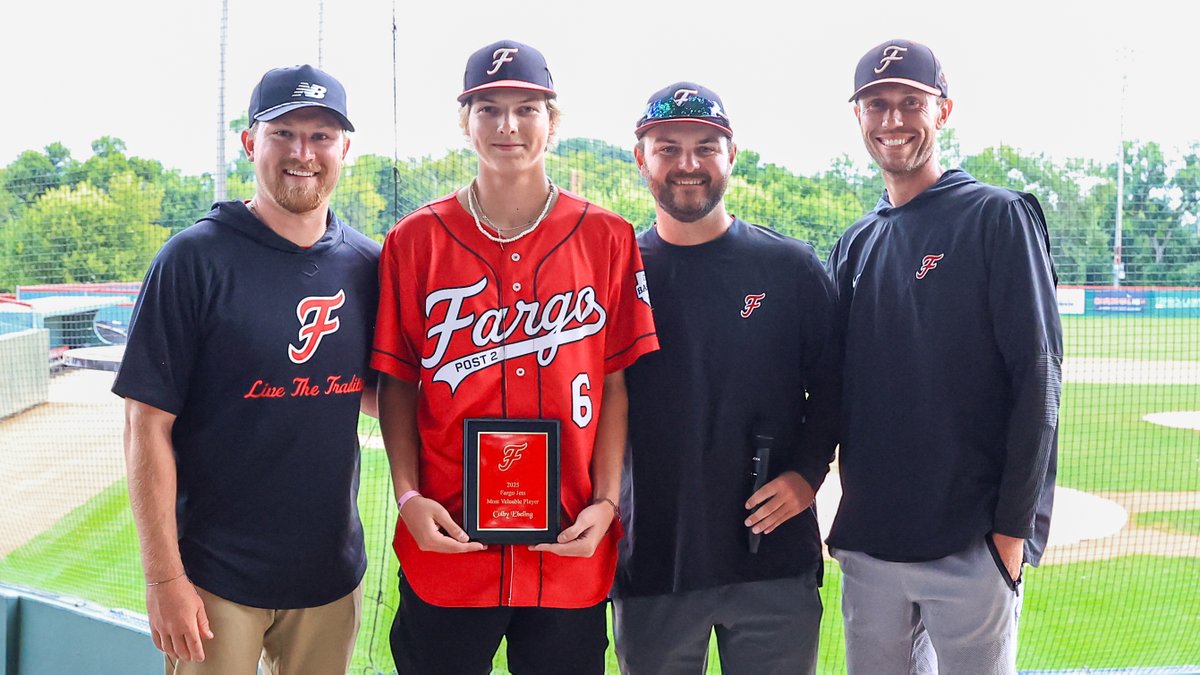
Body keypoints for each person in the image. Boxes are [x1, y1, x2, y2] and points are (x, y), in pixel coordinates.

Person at [371, 39, 659, 675]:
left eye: (527, 108)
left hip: (567, 545)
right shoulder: (415, 239)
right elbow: (396, 382)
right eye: (489, 108)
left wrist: (607, 501)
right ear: (464, 120)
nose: (507, 125)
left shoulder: (606, 238)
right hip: (447, 541)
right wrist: (407, 496)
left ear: (552, 121)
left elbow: (614, 383)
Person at [114, 64, 379, 674]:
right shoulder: (193, 259)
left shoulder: (368, 265)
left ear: (346, 149)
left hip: (330, 574)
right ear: (250, 142)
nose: (302, 153)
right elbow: (145, 426)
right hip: (213, 577)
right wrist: (163, 580)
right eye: (284, 133)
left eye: (321, 136)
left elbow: (378, 396)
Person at [826, 39, 1063, 674]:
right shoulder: (857, 242)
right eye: (877, 104)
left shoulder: (997, 217)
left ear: (944, 111)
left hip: (970, 542)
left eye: (911, 102)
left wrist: (1012, 535)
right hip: (871, 546)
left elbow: (1037, 381)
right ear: (858, 116)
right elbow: (835, 389)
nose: (893, 120)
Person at [610, 82, 841, 675]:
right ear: (642, 158)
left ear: (731, 155)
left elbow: (837, 388)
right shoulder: (617, 275)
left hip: (773, 560)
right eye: (668, 147)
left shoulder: (789, 268)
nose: (688, 164)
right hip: (656, 562)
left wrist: (809, 474)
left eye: (705, 146)